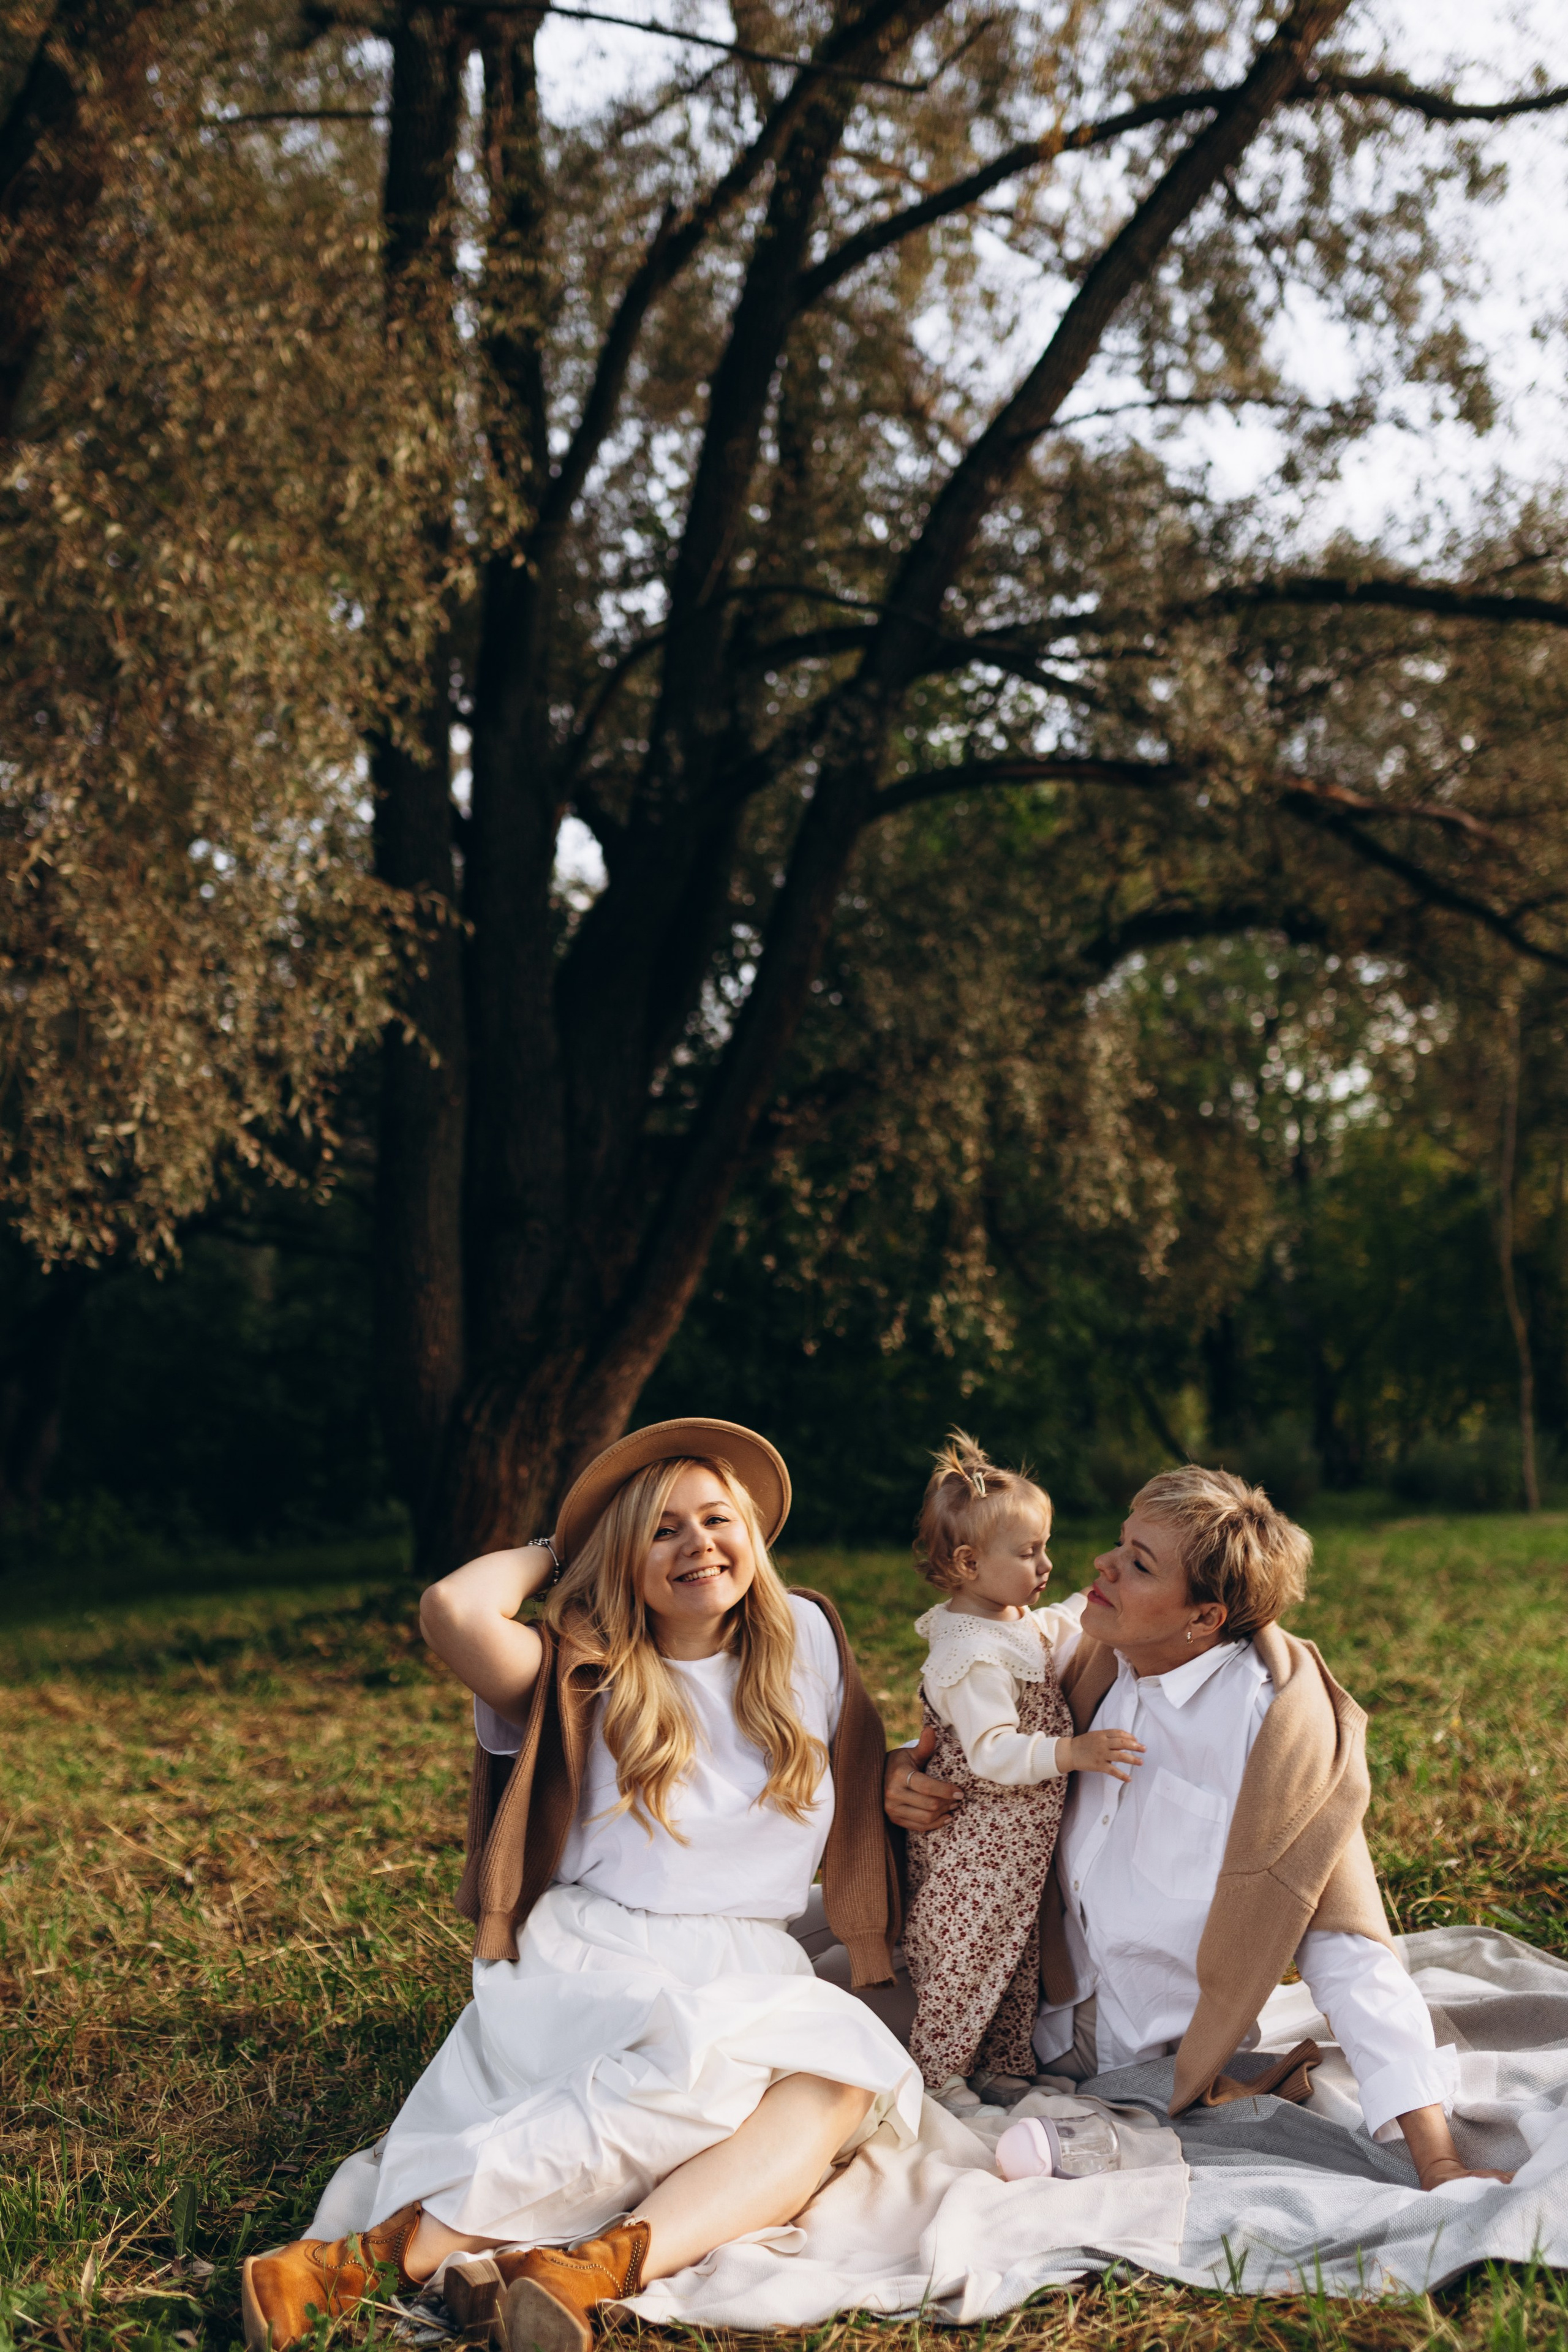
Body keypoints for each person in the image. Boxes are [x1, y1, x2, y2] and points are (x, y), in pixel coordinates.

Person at [241, 1418, 921, 2352]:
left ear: (753, 1534)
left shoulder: (804, 1638)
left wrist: (900, 1776)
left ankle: (583, 2270)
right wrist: (563, 1548)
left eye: (716, 1519)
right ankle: (364, 2259)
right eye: (661, 1530)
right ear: (621, 1557)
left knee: (843, 2072)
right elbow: (452, 1608)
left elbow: (858, 1763)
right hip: (604, 1954)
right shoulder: (578, 1668)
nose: (697, 1545)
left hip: (749, 1954)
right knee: (700, 2068)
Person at [884, 1464, 1512, 2192]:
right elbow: (972, 1720)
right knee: (806, 1992)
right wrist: (901, 1774)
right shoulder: (1083, 1651)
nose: (1103, 1564)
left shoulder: (1274, 1733)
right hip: (1001, 1994)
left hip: (1139, 2057)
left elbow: (1346, 1947)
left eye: (1139, 1564)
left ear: (1205, 1618)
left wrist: (1436, 2158)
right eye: (1120, 1542)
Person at [901, 1434, 1143, 2109]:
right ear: (970, 1564)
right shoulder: (971, 1654)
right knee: (967, 1961)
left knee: (1014, 1956)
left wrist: (1092, 1602)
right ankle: (934, 2075)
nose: (1046, 1563)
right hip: (976, 1845)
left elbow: (1054, 1625)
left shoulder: (1007, 1620)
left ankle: (997, 2062)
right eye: (1029, 1552)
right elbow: (992, 1751)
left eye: (1045, 1546)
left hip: (1015, 1844)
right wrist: (1072, 1752)